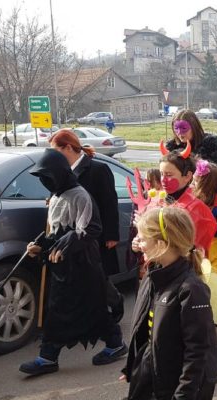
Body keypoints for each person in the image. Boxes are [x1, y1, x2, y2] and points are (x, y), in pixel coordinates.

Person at [117, 207, 217, 400]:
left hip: (181, 385)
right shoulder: (153, 277)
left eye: (143, 238)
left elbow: (199, 349)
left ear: (162, 244)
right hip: (160, 377)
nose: (138, 243)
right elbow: (144, 330)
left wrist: (184, 393)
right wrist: (132, 366)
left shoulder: (191, 290)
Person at [20, 149, 113, 376]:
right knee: (61, 309)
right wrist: (39, 246)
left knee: (92, 309)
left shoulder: (81, 196)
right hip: (62, 267)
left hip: (83, 265)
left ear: (60, 173)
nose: (46, 182)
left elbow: (91, 228)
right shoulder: (56, 198)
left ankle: (114, 343)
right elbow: (53, 231)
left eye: (49, 176)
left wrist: (68, 241)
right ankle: (49, 356)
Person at [49, 129, 127, 364]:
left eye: (57, 152)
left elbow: (109, 201)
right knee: (90, 283)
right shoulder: (61, 172)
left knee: (97, 280)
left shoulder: (96, 169)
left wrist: (111, 234)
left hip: (95, 234)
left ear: (68, 148)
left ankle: (113, 303)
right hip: (73, 236)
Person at [153, 148, 217, 254]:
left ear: (187, 176)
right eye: (161, 174)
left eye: (169, 175)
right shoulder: (158, 200)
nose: (163, 180)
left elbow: (195, 249)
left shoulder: (195, 209)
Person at [165, 110, 217, 194]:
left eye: (184, 128)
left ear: (194, 127)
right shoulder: (173, 150)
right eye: (176, 128)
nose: (180, 133)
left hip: (209, 196)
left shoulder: (212, 148)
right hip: (182, 198)